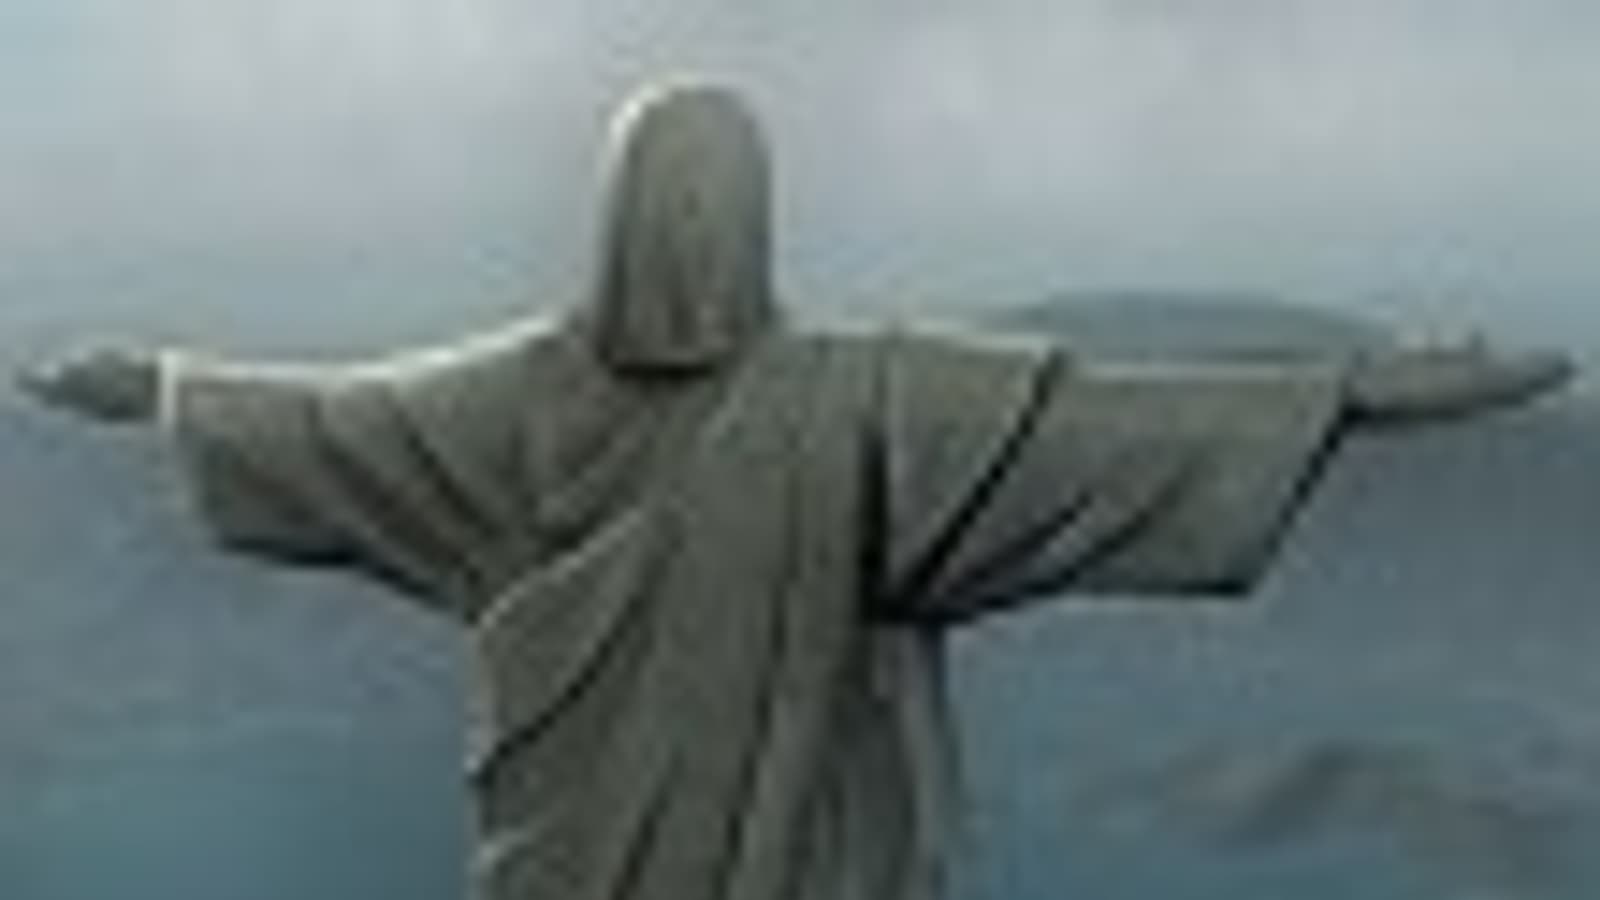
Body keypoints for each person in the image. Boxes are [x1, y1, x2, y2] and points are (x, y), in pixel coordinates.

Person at [17, 82, 1574, 900]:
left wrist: (1356, 397)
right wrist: (161, 385)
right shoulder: (579, 396)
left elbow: (1089, 426)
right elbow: (327, 421)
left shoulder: (856, 401)